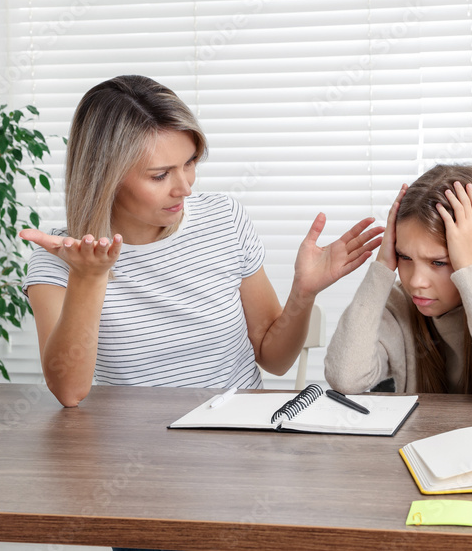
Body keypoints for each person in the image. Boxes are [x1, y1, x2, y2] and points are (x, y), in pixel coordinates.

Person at [21, 75, 383, 408]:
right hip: (135, 447)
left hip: (235, 435)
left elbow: (274, 359)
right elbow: (69, 391)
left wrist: (303, 293)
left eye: (190, 163)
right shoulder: (62, 258)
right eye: (160, 175)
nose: (185, 187)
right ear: (105, 177)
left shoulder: (225, 219)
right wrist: (88, 278)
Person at [324, 164, 472, 406]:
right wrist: (382, 267)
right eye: (404, 257)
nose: (415, 281)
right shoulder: (399, 305)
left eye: (438, 262)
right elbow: (345, 378)